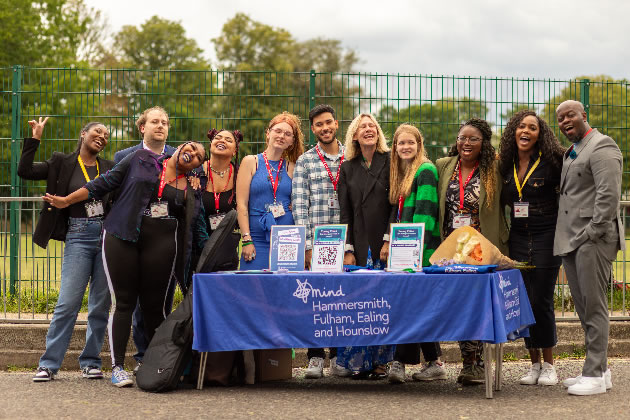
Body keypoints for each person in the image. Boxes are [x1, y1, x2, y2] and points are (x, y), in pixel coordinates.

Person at [43, 141, 207, 388]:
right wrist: (67, 201)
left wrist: (195, 184)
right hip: (122, 236)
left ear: (196, 167)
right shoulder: (140, 158)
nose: (193, 154)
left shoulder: (191, 185)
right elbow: (104, 183)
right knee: (124, 303)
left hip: (161, 245)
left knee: (154, 308)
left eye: (198, 157)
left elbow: (192, 225)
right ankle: (118, 367)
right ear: (180, 147)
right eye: (192, 147)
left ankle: (157, 365)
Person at [18, 117, 115, 382]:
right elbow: (24, 171)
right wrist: (34, 140)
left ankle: (91, 361)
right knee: (68, 303)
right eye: (97, 131)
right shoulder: (62, 163)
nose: (102, 136)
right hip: (79, 236)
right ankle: (49, 364)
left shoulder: (109, 167)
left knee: (100, 305)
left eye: (106, 135)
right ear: (83, 134)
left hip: (107, 238)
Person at [554, 100, 624, 396]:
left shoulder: (602, 145)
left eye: (570, 115)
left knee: (594, 307)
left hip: (591, 239)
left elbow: (608, 195)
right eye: (559, 118)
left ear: (584, 115)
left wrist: (591, 233)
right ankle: (602, 370)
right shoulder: (573, 150)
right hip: (571, 239)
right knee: (583, 307)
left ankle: (593, 374)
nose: (565, 121)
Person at [436, 117, 509, 386]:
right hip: (452, 248)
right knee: (459, 304)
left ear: (483, 143)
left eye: (473, 139)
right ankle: (468, 361)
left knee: (478, 304)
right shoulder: (444, 166)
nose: (466, 143)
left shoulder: (495, 168)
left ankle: (476, 364)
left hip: (482, 247)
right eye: (462, 138)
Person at [498, 110, 566, 386]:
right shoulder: (505, 164)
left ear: (540, 134)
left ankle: (550, 365)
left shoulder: (552, 162)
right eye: (521, 126)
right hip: (517, 238)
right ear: (513, 131)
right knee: (523, 301)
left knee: (541, 301)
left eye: (533, 128)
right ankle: (534, 364)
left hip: (546, 236)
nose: (526, 131)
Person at [113, 106, 177, 374]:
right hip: (133, 236)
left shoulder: (178, 156)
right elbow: (114, 192)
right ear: (143, 127)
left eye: (164, 122)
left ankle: (159, 359)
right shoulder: (125, 156)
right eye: (154, 122)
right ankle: (141, 357)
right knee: (133, 302)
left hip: (165, 239)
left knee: (159, 302)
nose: (160, 126)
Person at [291, 104, 350, 379]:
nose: (325, 128)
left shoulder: (352, 156)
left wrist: (351, 246)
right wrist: (306, 245)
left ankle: (339, 356)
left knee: (342, 299)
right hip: (317, 242)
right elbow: (300, 204)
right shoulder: (306, 161)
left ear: (336, 123)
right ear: (312, 129)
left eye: (328, 122)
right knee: (315, 299)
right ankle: (314, 357)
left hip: (346, 242)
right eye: (318, 125)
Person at [384, 124, 446, 384]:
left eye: (410, 142)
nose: (405, 147)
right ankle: (434, 362)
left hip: (418, 254)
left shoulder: (426, 170)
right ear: (395, 148)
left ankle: (401, 363)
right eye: (400, 144)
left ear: (420, 145)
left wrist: (411, 254)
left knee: (409, 306)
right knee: (415, 308)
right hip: (406, 252)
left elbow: (425, 216)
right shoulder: (404, 172)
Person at [336, 113, 394, 378]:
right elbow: (344, 212)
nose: (368, 130)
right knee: (360, 304)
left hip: (384, 244)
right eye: (362, 127)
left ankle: (382, 362)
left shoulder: (391, 161)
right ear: (355, 136)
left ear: (378, 133)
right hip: (360, 245)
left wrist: (388, 238)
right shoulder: (347, 166)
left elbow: (397, 203)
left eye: (372, 126)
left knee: (383, 303)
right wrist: (347, 248)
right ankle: (360, 363)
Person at [236, 112, 305, 269]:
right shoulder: (250, 162)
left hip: (287, 239)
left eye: (288, 134)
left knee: (284, 289)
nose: (282, 136)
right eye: (278, 131)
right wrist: (246, 239)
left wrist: (295, 205)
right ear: (268, 133)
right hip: (256, 238)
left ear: (292, 142)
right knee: (254, 288)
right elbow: (241, 204)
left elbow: (301, 199)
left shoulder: (293, 167)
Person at [198, 128, 243, 271]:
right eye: (218, 138)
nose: (222, 140)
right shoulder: (195, 171)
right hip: (197, 245)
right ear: (211, 144)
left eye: (229, 140)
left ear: (234, 151)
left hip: (226, 248)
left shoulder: (240, 175)